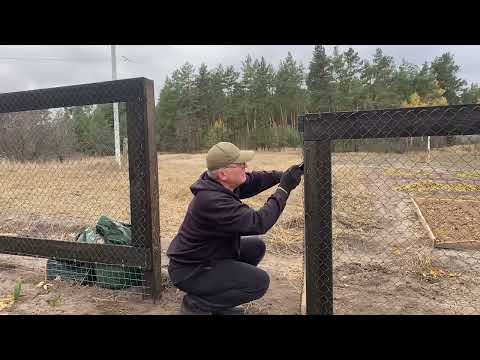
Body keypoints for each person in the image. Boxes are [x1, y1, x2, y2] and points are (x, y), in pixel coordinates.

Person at [166, 142, 303, 315]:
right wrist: (284, 189)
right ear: (223, 174)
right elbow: (258, 222)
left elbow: (255, 180)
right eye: (240, 165)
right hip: (191, 270)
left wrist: (283, 176)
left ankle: (219, 301)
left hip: (207, 256)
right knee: (258, 282)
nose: (246, 167)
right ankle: (197, 304)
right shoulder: (212, 201)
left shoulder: (219, 183)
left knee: (255, 247)